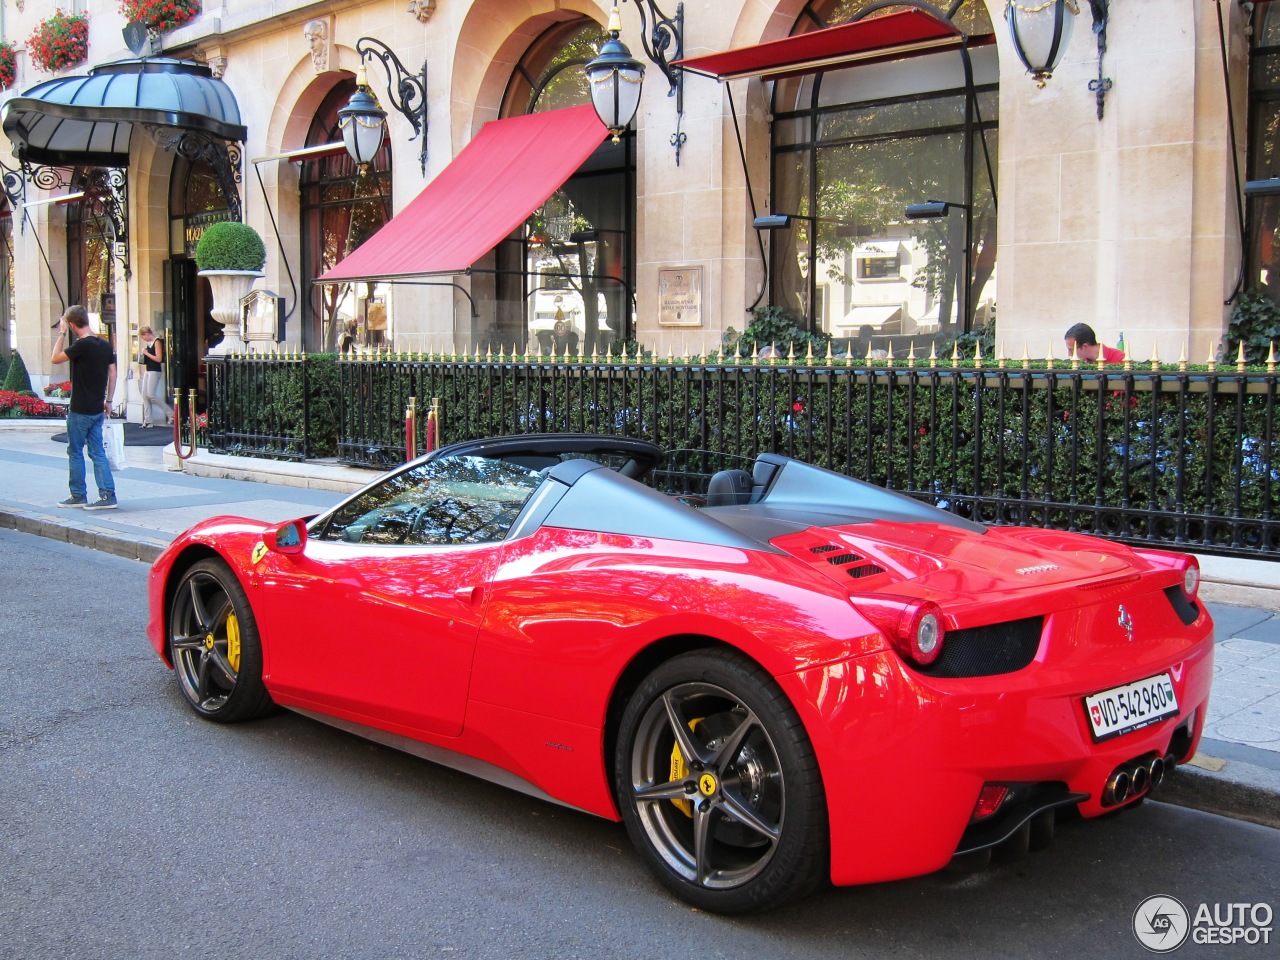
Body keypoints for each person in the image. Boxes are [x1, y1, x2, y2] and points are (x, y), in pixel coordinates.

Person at [51, 305, 117, 510]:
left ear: (71, 324)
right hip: (97, 407)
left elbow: (55, 358)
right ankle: (108, 495)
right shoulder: (104, 345)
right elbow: (113, 373)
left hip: (80, 408)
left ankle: (78, 494)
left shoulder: (81, 345)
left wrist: (61, 333)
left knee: (75, 451)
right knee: (97, 452)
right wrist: (109, 401)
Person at [138, 325, 173, 428]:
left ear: (147, 334)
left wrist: (146, 353)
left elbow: (158, 358)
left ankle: (170, 413)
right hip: (148, 370)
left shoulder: (157, 342)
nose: (143, 339)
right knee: (145, 394)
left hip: (155, 370)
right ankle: (148, 420)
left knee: (151, 394)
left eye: (143, 336)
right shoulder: (149, 344)